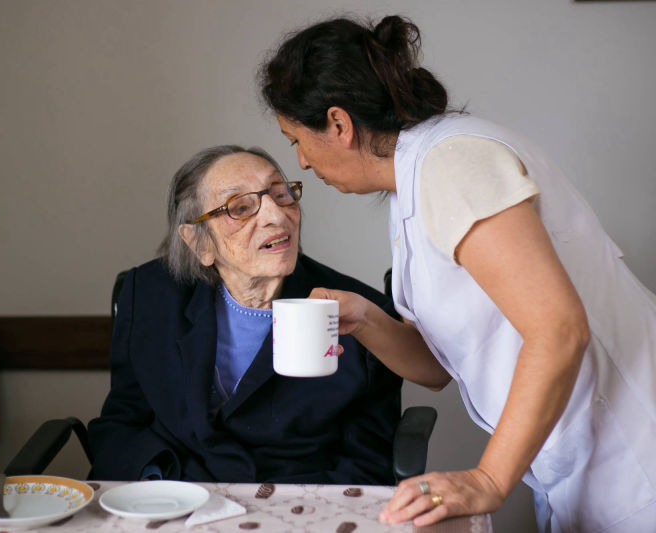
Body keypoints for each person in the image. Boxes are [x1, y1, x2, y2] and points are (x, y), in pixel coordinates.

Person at [259, 14, 656, 533]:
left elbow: (559, 329)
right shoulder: (416, 184)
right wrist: (364, 319)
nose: (303, 163)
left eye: (296, 139)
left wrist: (488, 479)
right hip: (575, 466)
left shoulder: (450, 164)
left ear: (338, 124)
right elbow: (439, 368)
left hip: (636, 457)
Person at [87, 144, 407, 485]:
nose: (276, 215)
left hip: (297, 503)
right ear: (199, 243)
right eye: (240, 207)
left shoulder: (359, 314)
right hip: (177, 494)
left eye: (281, 195)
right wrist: (157, 483)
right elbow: (122, 420)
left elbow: (369, 459)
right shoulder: (151, 294)